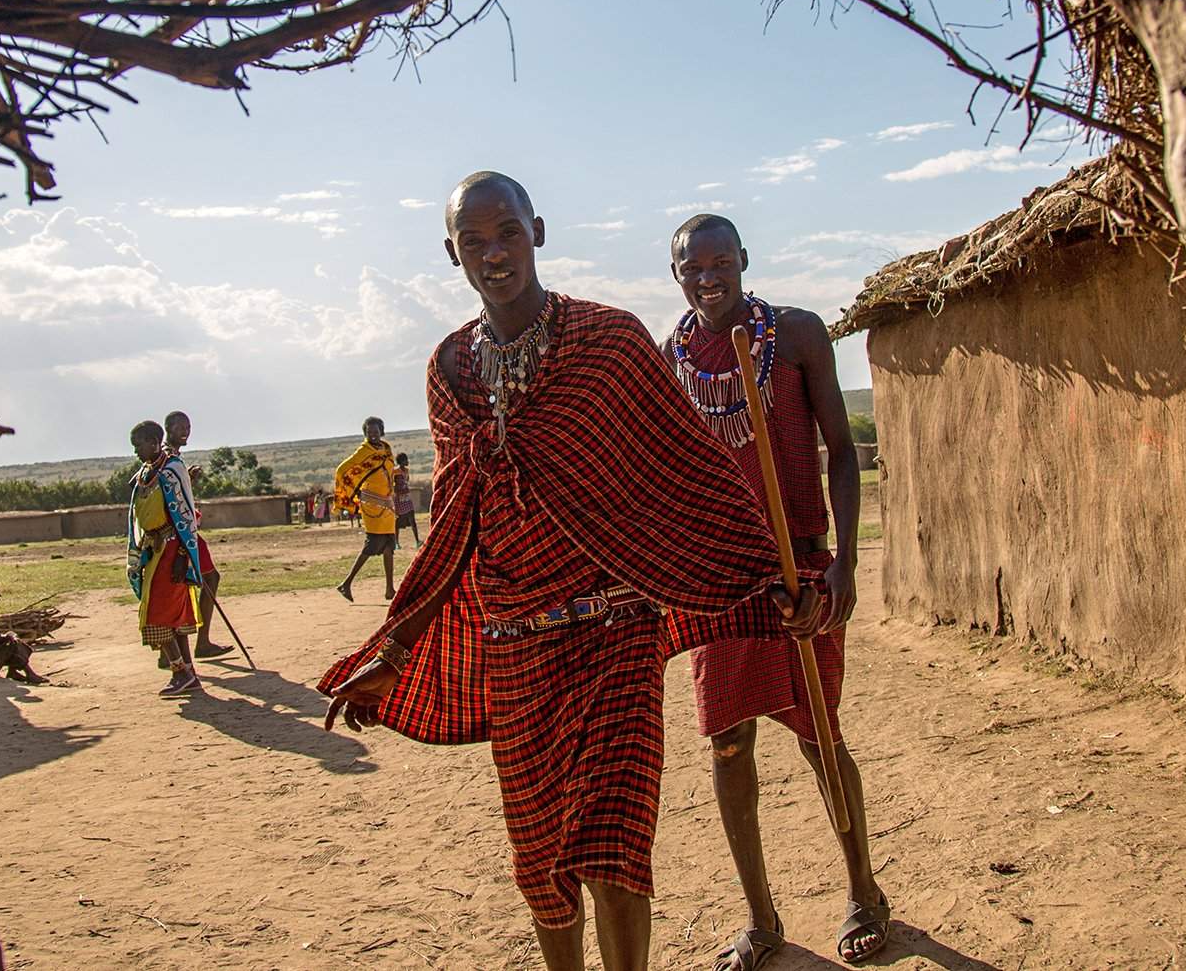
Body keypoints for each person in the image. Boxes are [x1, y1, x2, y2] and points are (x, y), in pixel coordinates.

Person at [320, 172, 825, 971]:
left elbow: (688, 473)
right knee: (542, 863)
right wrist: (394, 648)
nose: (494, 253)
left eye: (508, 232)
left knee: (614, 848)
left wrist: (771, 577)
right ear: (450, 251)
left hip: (617, 631)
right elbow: (453, 521)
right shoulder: (451, 367)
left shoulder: (610, 342)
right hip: (516, 643)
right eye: (474, 239)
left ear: (538, 231)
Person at [666, 214, 890, 968]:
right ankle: (761, 918)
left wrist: (844, 563)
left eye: (721, 261)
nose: (708, 277)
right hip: (723, 585)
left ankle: (864, 890)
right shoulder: (674, 360)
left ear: (743, 261)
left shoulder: (794, 334)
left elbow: (840, 451)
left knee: (820, 735)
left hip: (802, 569)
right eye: (692, 266)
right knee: (728, 746)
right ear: (676, 275)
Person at [125, 419, 205, 697]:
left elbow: (185, 515)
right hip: (155, 549)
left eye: (139, 446)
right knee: (169, 615)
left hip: (172, 549)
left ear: (153, 442)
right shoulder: (147, 473)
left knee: (157, 615)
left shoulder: (171, 471)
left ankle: (180, 672)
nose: (136, 452)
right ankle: (188, 674)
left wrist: (183, 555)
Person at [164, 410, 230, 658]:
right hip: (181, 532)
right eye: (180, 426)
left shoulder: (171, 457)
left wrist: (188, 479)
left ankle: (170, 651)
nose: (186, 431)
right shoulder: (167, 457)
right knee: (208, 579)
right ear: (169, 428)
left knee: (181, 586)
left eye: (188, 426)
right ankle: (202, 643)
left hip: (181, 530)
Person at [333, 417, 399, 600]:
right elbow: (342, 470)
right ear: (365, 433)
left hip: (387, 504)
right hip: (371, 504)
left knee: (388, 546)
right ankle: (346, 583)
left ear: (381, 431)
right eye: (369, 432)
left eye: (376, 431)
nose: (373, 435)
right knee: (373, 544)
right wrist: (349, 493)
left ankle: (389, 589)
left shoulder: (386, 449)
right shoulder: (364, 451)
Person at [392, 452, 423, 546]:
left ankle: (417, 541)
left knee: (412, 519)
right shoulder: (395, 472)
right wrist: (400, 491)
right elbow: (394, 485)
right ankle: (396, 543)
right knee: (397, 521)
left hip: (407, 498)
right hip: (398, 499)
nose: (407, 461)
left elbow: (406, 481)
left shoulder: (406, 471)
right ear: (400, 462)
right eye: (405, 460)